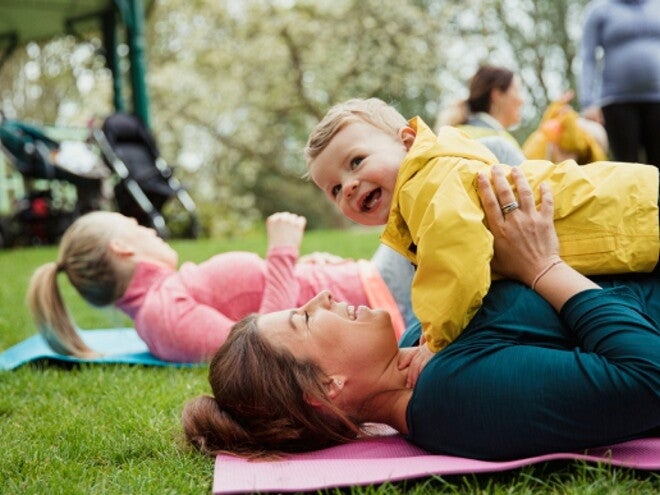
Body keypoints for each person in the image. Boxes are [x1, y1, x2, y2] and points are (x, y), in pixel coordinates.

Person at [181, 166, 660, 460]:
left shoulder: (421, 337)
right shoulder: (452, 400)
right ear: (325, 390)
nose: (320, 297)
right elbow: (647, 377)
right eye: (303, 319)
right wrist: (543, 266)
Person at [303, 97, 658, 363]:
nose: (348, 185)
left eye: (356, 161)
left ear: (407, 141)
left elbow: (457, 263)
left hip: (631, 214)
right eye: (334, 189)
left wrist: (435, 343)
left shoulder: (428, 184)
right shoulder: (422, 190)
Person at [26, 210, 415, 363]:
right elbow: (263, 350)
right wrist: (282, 251)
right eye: (137, 226)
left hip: (371, 285)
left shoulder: (166, 296)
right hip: (384, 304)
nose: (150, 230)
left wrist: (302, 266)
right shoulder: (163, 315)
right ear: (123, 249)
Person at [578, 0, 660, 168]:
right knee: (626, 167)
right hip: (616, 103)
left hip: (657, 99)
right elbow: (587, 57)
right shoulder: (599, 10)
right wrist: (588, 102)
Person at [435, 64, 525, 165]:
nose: (522, 100)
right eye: (518, 91)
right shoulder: (503, 144)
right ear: (497, 95)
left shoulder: (454, 133)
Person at [523, 90, 609, 164]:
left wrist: (568, 117)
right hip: (527, 161)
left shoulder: (587, 145)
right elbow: (547, 125)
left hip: (530, 166)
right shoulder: (562, 133)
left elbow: (574, 142)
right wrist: (557, 105)